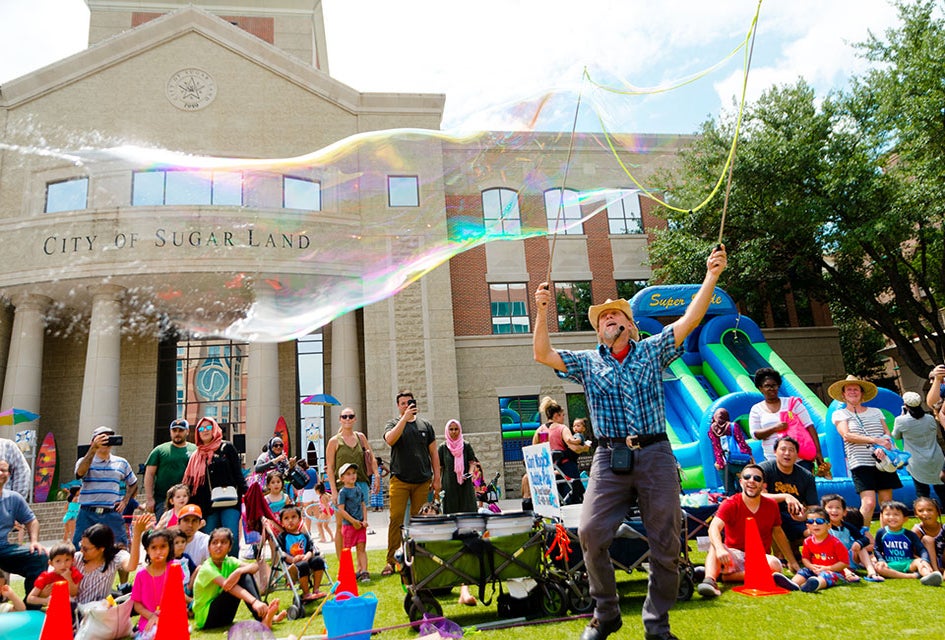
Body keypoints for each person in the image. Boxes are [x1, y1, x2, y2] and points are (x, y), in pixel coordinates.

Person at [533, 245, 727, 640]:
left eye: (616, 314)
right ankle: (606, 615)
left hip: (655, 454)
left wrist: (711, 276)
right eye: (603, 316)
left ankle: (657, 624)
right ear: (598, 330)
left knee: (667, 541)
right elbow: (542, 353)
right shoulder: (588, 362)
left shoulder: (654, 350)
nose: (609, 318)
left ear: (629, 324)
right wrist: (540, 309)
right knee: (589, 531)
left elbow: (691, 318)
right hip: (608, 457)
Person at [697, 463, 800, 598]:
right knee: (715, 547)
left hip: (758, 558)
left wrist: (792, 562)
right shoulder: (730, 503)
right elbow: (714, 527)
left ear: (764, 486)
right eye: (747, 477)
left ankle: (724, 576)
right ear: (741, 482)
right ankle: (710, 580)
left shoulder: (771, 506)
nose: (751, 480)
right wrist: (721, 549)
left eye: (757, 478)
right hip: (733, 555)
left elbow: (778, 533)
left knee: (775, 565)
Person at [382, 392, 439, 577]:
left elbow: (433, 453)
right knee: (396, 518)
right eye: (403, 403)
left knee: (420, 520)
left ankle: (418, 557)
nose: (406, 405)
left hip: (422, 480)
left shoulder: (425, 425)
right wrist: (404, 420)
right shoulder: (393, 423)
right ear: (398, 406)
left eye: (409, 402)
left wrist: (437, 477)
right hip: (399, 480)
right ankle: (391, 561)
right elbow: (390, 440)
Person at [830, 375, 902, 523]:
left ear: (862, 393)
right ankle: (862, 538)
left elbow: (886, 433)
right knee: (868, 503)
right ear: (843, 394)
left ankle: (884, 539)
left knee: (887, 504)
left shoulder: (876, 411)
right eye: (849, 389)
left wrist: (884, 444)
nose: (852, 392)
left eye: (856, 389)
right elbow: (847, 435)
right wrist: (875, 441)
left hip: (884, 461)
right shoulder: (839, 414)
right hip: (861, 462)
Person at [193, 527, 286, 630]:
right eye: (214, 543)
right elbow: (228, 587)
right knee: (240, 579)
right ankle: (264, 616)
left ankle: (265, 616)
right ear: (209, 548)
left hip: (225, 617)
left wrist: (239, 571)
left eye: (223, 542)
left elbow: (254, 567)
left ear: (229, 547)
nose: (218, 546)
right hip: (206, 619)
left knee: (245, 574)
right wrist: (254, 601)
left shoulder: (230, 561)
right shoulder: (207, 568)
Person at [182, 417, 246, 551]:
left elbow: (238, 473)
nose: (205, 431)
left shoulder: (226, 447)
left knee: (231, 538)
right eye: (201, 428)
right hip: (208, 505)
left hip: (230, 501)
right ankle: (212, 570)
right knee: (208, 540)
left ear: (215, 429)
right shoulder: (196, 455)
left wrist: (247, 491)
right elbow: (192, 484)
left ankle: (232, 569)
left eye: (208, 427)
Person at [73, 425, 138, 548]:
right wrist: (92, 449)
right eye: (102, 437)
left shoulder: (121, 462)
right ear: (93, 441)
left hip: (111, 513)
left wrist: (126, 500)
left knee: (120, 548)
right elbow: (80, 473)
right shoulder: (84, 460)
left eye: (109, 437)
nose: (106, 440)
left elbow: (133, 483)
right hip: (87, 512)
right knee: (80, 549)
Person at [748, 368, 823, 471]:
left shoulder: (792, 404)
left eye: (774, 385)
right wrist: (775, 428)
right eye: (767, 386)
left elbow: (809, 426)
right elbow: (755, 434)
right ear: (760, 388)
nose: (771, 389)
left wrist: (818, 452)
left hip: (799, 459)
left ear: (778, 386)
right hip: (773, 460)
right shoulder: (756, 409)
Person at [438, 419, 479, 606]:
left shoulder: (466, 445)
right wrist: (436, 485)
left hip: (465, 485)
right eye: (451, 429)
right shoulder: (442, 448)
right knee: (451, 518)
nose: (454, 432)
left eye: (456, 429)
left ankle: (470, 545)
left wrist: (470, 472)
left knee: (469, 518)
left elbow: (472, 462)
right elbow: (439, 468)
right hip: (449, 485)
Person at [326, 408, 376, 553]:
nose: (347, 419)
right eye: (344, 416)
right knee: (341, 526)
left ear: (355, 419)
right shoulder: (334, 441)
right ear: (340, 419)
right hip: (342, 488)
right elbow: (330, 468)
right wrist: (333, 491)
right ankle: (344, 564)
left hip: (360, 484)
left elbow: (371, 458)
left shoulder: (361, 437)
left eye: (351, 416)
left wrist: (377, 477)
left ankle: (361, 565)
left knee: (361, 524)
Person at [759, 436, 818, 550]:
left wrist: (803, 517)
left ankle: (795, 546)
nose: (787, 453)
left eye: (791, 450)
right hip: (770, 514)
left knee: (815, 530)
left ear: (797, 455)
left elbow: (813, 507)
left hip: (795, 517)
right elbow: (759, 496)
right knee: (770, 513)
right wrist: (786, 496)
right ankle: (780, 554)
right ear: (775, 452)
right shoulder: (764, 469)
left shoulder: (806, 476)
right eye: (783, 449)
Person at [74, 515, 149, 604]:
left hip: (99, 613)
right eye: (81, 546)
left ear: (102, 548)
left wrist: (137, 534)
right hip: (75, 612)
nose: (81, 551)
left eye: (86, 549)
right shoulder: (76, 558)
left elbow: (131, 566)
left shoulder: (114, 559)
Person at [0, 459, 48, 596]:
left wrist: (34, 541)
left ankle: (31, 607)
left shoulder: (14, 498)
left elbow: (32, 521)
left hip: (3, 548)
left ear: (8, 474)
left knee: (40, 556)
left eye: (3, 470)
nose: (0, 473)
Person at [892, 391, 945, 507]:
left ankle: (925, 515)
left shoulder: (900, 421)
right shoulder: (930, 418)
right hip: (936, 458)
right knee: (942, 490)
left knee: (922, 492)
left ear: (906, 405)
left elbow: (896, 436)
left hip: (916, 461)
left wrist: (902, 417)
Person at [873, 500, 942, 585]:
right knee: (878, 567)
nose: (891, 517)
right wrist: (881, 560)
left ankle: (929, 576)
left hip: (908, 563)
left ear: (905, 519)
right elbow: (876, 549)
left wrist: (924, 560)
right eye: (887, 514)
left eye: (896, 515)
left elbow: (921, 549)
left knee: (920, 562)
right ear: (882, 516)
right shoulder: (881, 533)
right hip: (890, 564)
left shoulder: (909, 534)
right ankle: (913, 576)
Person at [144, 418, 197, 520]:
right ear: (170, 432)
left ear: (187, 431)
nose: (177, 433)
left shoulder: (195, 450)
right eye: (174, 430)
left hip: (189, 500)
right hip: (163, 501)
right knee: (165, 533)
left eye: (181, 430)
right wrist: (150, 499)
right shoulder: (159, 450)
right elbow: (149, 474)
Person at [790, 505, 850, 592]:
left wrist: (828, 568)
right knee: (804, 571)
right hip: (815, 570)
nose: (815, 524)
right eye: (811, 521)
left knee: (827, 576)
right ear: (807, 526)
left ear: (828, 526)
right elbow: (805, 558)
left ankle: (816, 584)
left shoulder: (835, 543)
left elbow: (844, 563)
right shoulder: (808, 541)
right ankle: (793, 583)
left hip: (834, 573)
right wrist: (811, 566)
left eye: (819, 521)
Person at [821, 493, 881, 581]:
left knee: (861, 547)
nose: (834, 510)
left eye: (838, 508)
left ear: (844, 512)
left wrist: (858, 543)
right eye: (830, 507)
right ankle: (846, 573)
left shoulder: (848, 527)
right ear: (823, 512)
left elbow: (864, 539)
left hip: (849, 559)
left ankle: (871, 572)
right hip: (832, 560)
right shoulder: (823, 528)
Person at [542, 397, 589, 504]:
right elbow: (575, 448)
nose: (563, 418)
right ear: (556, 415)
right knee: (574, 497)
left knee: (558, 500)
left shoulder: (539, 430)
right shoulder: (562, 428)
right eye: (563, 415)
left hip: (550, 470)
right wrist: (585, 448)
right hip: (566, 468)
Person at [276, 505, 327, 601]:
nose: (290, 520)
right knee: (302, 564)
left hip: (305, 561)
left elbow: (310, 550)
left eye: (294, 517)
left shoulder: (304, 535)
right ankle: (306, 593)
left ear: (300, 520)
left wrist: (306, 556)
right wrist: (292, 559)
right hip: (292, 566)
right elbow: (281, 553)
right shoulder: (282, 537)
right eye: (286, 518)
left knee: (318, 560)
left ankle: (316, 590)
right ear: (282, 523)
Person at [131, 528, 174, 635]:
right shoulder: (141, 574)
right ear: (147, 550)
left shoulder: (174, 568)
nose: (158, 552)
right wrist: (152, 616)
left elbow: (177, 597)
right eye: (154, 548)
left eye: (163, 547)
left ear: (169, 547)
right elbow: (137, 605)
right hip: (148, 618)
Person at [707, 407, 753, 495]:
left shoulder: (712, 429)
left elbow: (716, 447)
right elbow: (741, 443)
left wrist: (719, 462)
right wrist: (750, 456)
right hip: (738, 462)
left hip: (722, 465)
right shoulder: (732, 426)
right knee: (743, 490)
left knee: (729, 492)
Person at [336, 462, 370, 583]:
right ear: (342, 478)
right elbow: (341, 509)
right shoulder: (343, 492)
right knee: (347, 550)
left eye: (354, 473)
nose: (352, 476)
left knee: (361, 548)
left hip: (360, 525)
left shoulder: (358, 489)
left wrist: (364, 520)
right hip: (349, 526)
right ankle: (349, 572)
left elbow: (363, 505)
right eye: (348, 474)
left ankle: (364, 571)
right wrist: (353, 521)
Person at [912, 496, 945, 573]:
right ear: (916, 514)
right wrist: (923, 561)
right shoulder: (917, 530)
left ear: (938, 512)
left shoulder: (943, 528)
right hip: (928, 561)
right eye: (920, 511)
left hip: (943, 560)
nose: (926, 513)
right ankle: (936, 570)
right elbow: (911, 552)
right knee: (927, 539)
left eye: (930, 510)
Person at [177, 504, 210, 569]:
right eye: (186, 520)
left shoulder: (206, 540)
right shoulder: (169, 540)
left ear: (200, 523)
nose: (190, 525)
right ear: (178, 523)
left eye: (194, 521)